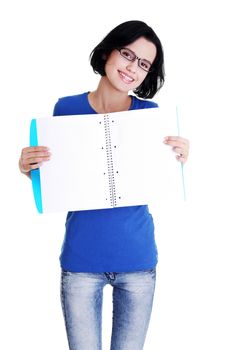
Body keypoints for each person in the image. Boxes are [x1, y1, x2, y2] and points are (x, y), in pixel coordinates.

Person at [19, 20, 189, 350]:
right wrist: (29, 168)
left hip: (137, 262)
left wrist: (179, 157)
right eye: (128, 54)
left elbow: (161, 179)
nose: (132, 68)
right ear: (108, 51)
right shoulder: (65, 109)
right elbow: (58, 178)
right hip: (81, 262)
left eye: (144, 64)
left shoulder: (150, 116)